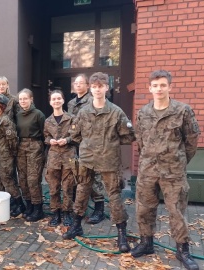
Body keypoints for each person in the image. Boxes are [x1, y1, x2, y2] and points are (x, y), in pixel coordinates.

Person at [132, 70, 200, 270]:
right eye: (155, 85)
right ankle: (146, 243)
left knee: (176, 210)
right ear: (150, 88)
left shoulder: (182, 111)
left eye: (163, 85)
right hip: (147, 170)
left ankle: (182, 249)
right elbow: (141, 141)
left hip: (173, 171)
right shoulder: (143, 113)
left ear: (170, 87)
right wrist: (148, 159)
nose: (159, 89)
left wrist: (179, 160)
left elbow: (191, 140)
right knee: (144, 208)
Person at [61, 72, 135, 254]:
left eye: (100, 86)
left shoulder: (116, 112)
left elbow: (128, 136)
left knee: (115, 195)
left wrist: (109, 144)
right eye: (94, 86)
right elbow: (75, 135)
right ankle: (76, 225)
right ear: (91, 88)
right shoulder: (84, 112)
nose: (97, 90)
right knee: (82, 191)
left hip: (109, 160)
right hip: (87, 159)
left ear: (106, 88)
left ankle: (121, 233)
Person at [68, 74, 106, 225]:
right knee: (80, 176)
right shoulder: (71, 103)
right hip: (76, 144)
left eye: (81, 83)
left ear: (87, 85)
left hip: (91, 145)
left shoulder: (92, 100)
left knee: (95, 177)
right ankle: (80, 208)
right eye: (75, 83)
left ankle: (99, 210)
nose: (78, 85)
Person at [0, 94, 25, 217]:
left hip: (4, 155)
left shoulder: (6, 120)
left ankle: (19, 204)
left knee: (7, 180)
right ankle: (3, 202)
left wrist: (11, 154)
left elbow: (13, 140)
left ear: (2, 106)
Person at [44, 90, 76, 227]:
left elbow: (77, 136)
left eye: (59, 98)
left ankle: (67, 213)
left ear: (63, 101)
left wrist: (67, 140)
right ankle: (56, 212)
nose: (56, 101)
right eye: (53, 99)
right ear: (50, 102)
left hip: (68, 156)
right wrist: (50, 140)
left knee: (68, 187)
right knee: (53, 187)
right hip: (53, 158)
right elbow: (45, 136)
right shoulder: (47, 121)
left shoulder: (71, 118)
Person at [16, 88, 46, 222]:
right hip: (21, 147)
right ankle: (29, 205)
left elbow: (44, 133)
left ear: (31, 99)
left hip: (35, 146)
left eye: (25, 98)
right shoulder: (17, 115)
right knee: (22, 179)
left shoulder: (38, 114)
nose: (23, 101)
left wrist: (41, 150)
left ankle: (37, 207)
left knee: (33, 179)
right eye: (21, 99)